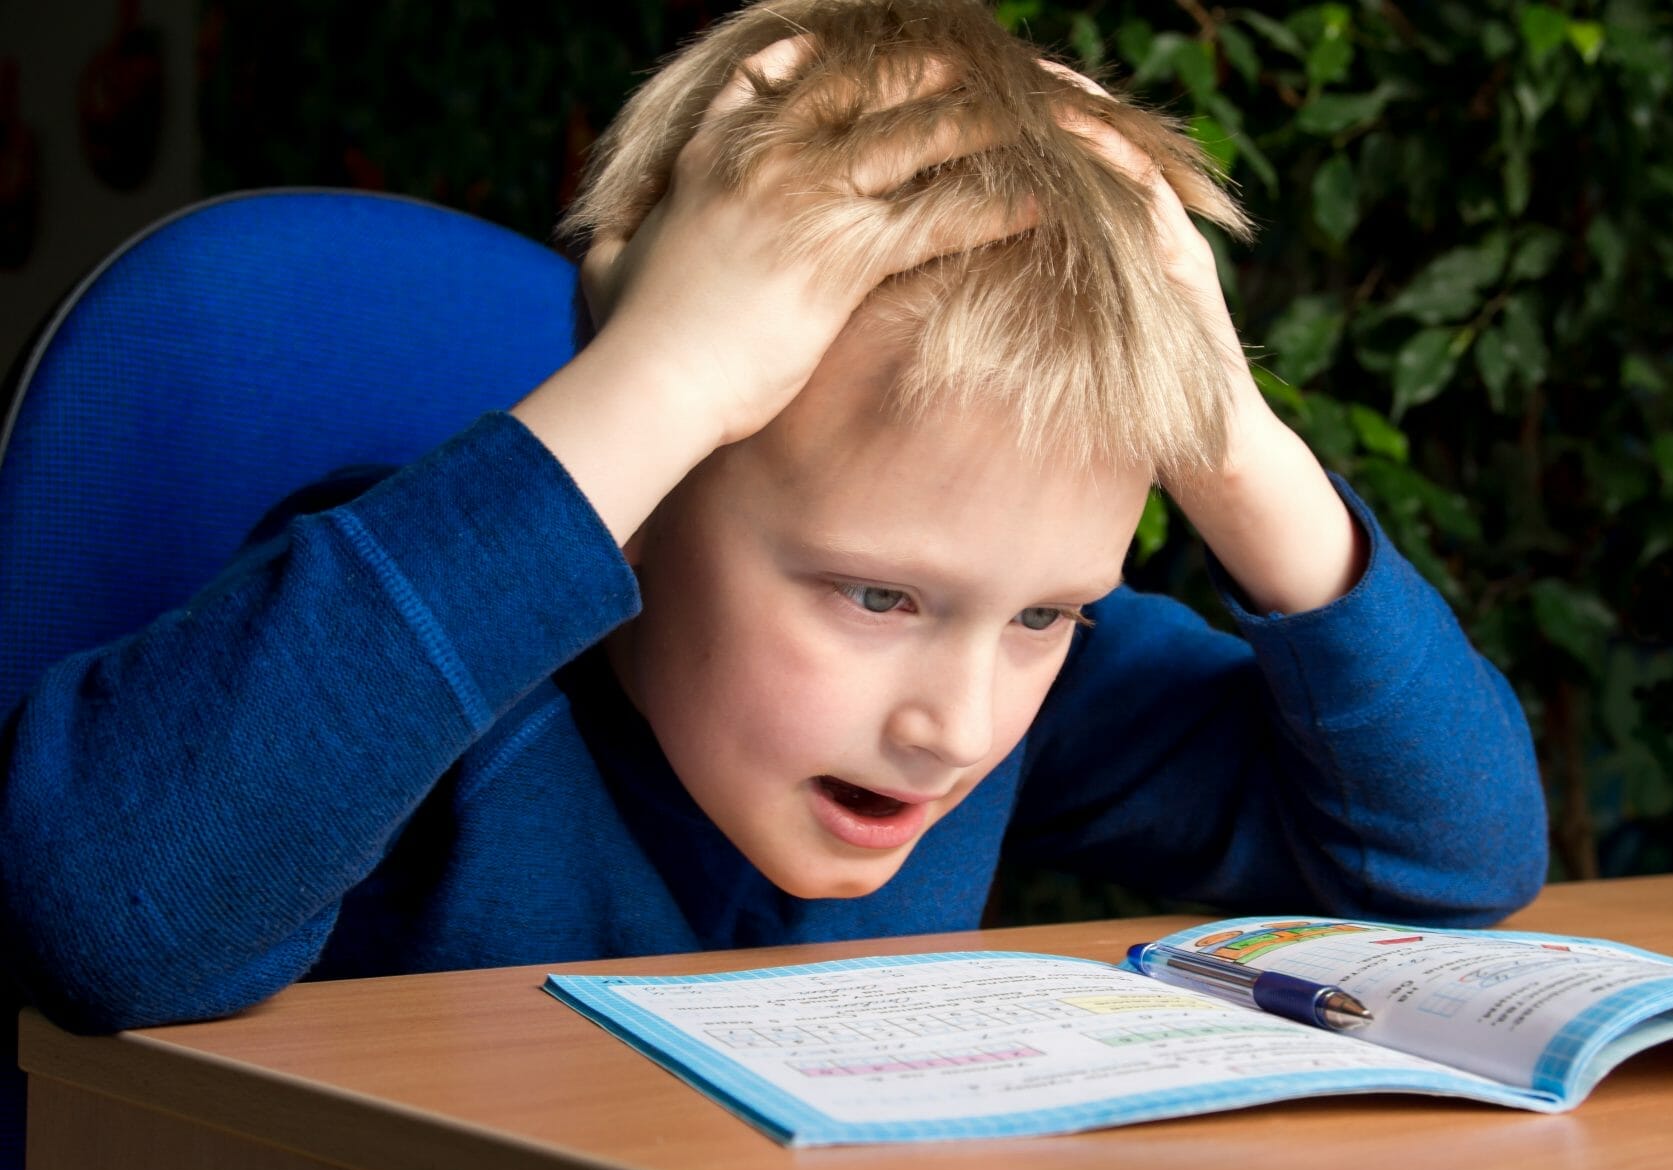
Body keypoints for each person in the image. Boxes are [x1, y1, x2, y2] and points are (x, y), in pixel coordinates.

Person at [0, 0, 1546, 1042]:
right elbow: (111, 920)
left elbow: (1451, 868)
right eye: (876, 597)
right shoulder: (412, 642)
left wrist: (1231, 440)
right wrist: (656, 377)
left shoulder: (1019, 698)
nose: (957, 728)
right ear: (652, 471)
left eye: (1045, 613)